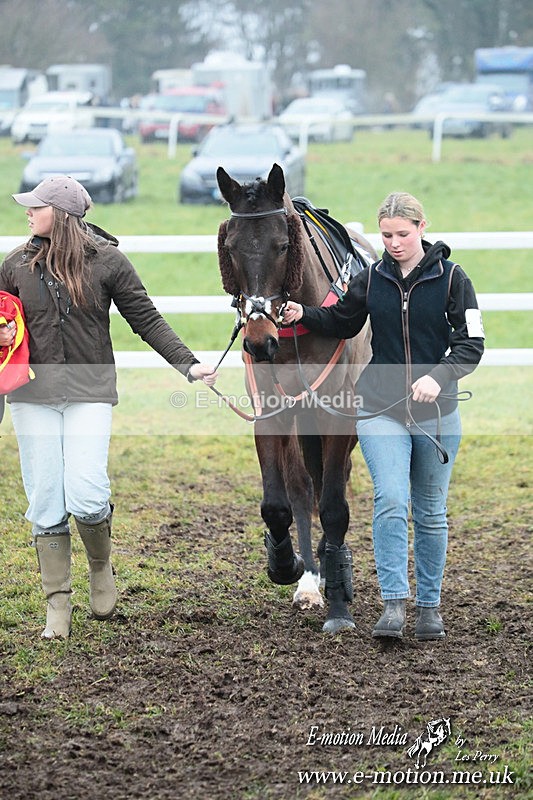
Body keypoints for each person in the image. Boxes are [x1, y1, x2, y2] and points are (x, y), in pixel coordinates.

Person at [0, 174, 218, 640]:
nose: (27, 213)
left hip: (89, 392)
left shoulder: (108, 262)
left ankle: (101, 567)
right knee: (44, 496)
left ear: (60, 214)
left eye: (36, 207)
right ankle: (57, 603)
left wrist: (188, 365)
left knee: (86, 491)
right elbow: (4, 323)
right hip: (32, 395)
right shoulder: (14, 265)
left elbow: (146, 318)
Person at [283, 191, 484, 640]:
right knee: (391, 500)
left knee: (431, 514)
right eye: (387, 235)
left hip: (437, 413)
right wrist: (304, 313)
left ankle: (429, 607)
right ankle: (393, 605)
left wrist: (440, 375)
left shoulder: (454, 280)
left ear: (422, 228)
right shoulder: (371, 280)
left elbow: (472, 344)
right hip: (379, 408)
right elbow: (342, 321)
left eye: (402, 234)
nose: (393, 243)